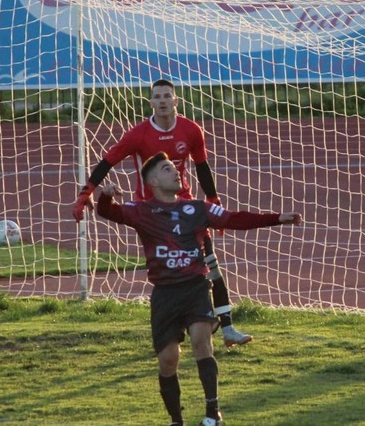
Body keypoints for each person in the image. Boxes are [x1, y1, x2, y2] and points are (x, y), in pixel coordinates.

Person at [81, 152, 302, 426]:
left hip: (195, 287)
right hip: (165, 294)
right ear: (152, 182)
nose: (176, 172)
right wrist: (105, 196)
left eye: (175, 168)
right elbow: (107, 212)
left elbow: (234, 219)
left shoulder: (197, 208)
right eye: (166, 169)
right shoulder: (142, 210)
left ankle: (212, 414)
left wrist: (277, 218)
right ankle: (177, 420)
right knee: (168, 360)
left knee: (201, 341)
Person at [72, 79, 252, 347]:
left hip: (186, 207)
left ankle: (227, 328)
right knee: (171, 271)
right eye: (157, 97)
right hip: (151, 213)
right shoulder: (138, 134)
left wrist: (214, 200)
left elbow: (202, 167)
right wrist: (86, 192)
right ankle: (176, 327)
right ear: (151, 103)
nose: (163, 101)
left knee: (209, 262)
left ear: (176, 100)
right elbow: (108, 160)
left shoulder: (191, 130)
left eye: (167, 96)